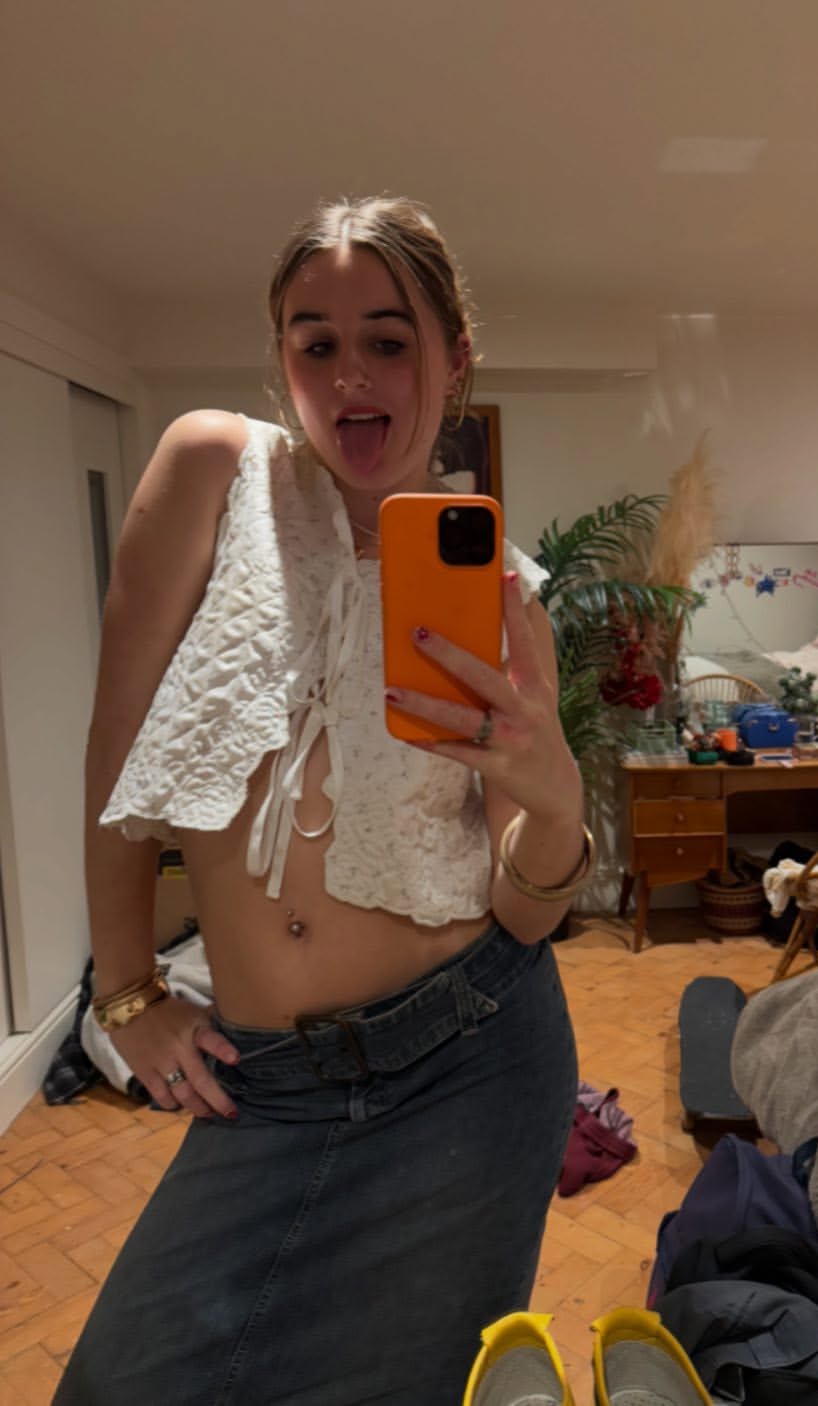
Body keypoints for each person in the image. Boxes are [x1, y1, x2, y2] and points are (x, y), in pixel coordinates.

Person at [57, 196, 584, 1405]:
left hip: (474, 1060)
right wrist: (125, 988)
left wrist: (554, 799)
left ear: (454, 357)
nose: (352, 373)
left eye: (390, 340)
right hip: (270, 1079)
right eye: (317, 341)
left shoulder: (506, 603)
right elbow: (115, 745)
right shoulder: (211, 472)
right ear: (281, 359)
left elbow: (527, 907)